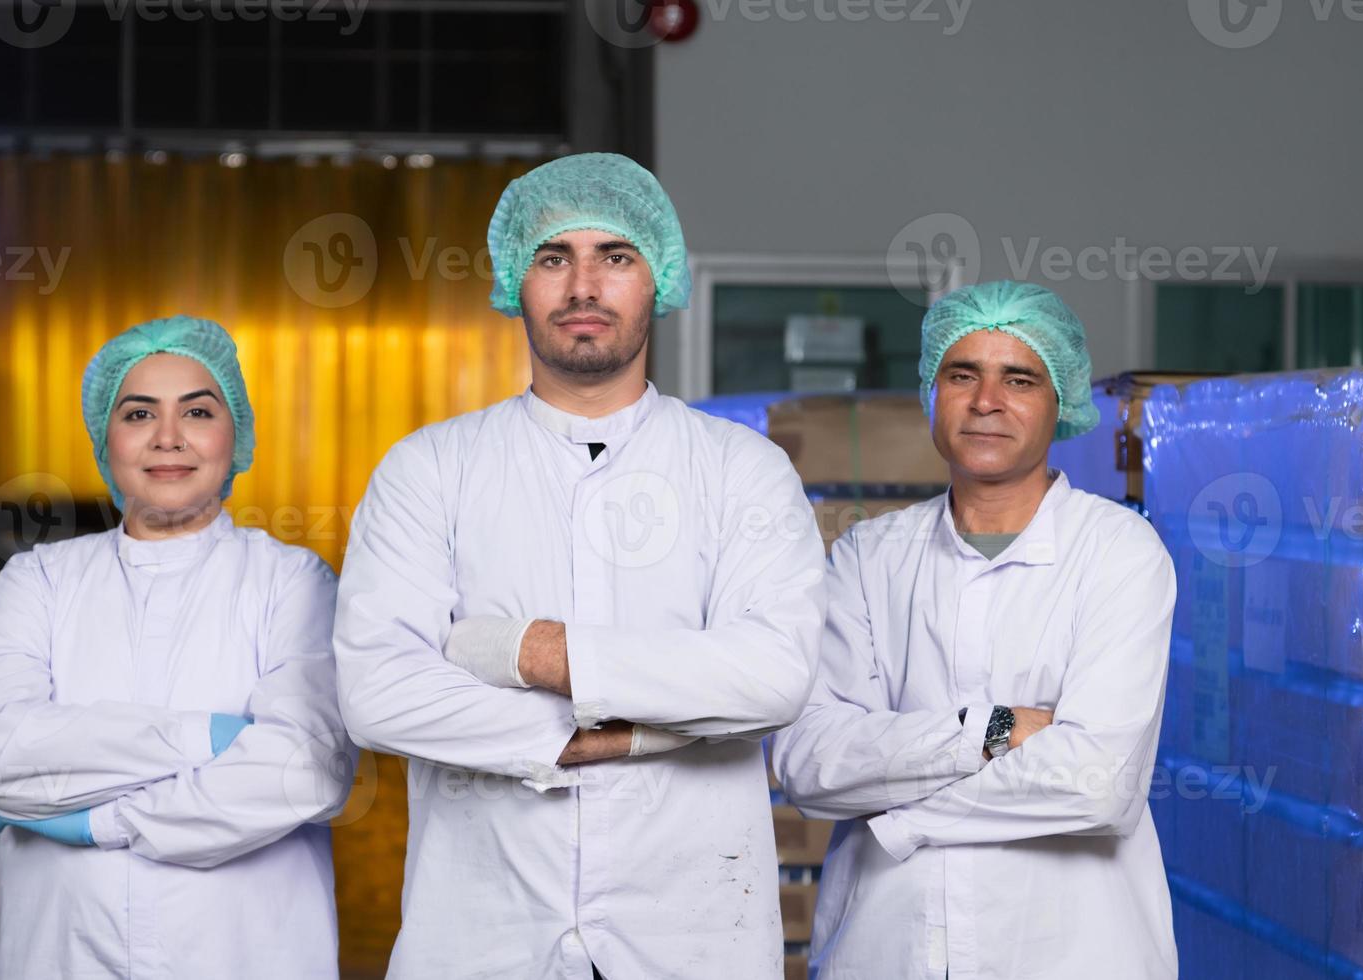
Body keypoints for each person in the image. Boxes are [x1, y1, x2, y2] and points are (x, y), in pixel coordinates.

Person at [332, 153, 826, 978]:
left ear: (656, 278)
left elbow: (773, 674)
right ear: (514, 284)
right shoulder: (429, 468)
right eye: (553, 257)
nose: (583, 285)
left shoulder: (743, 469)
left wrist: (524, 653)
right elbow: (377, 692)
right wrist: (607, 736)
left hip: (689, 931)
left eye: (615, 257)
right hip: (484, 928)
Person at [772, 281, 1178, 979]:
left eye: (1018, 378)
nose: (986, 400)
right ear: (932, 392)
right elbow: (808, 763)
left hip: (1072, 955)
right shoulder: (869, 557)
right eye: (963, 375)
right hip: (886, 950)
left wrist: (902, 816)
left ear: (1062, 403)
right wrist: (994, 731)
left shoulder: (1119, 552)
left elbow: (1097, 784)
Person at [0, 316, 355, 979]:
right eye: (139, 413)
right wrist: (214, 739)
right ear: (106, 440)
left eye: (197, 409)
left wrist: (99, 822)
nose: (169, 437)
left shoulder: (293, 582)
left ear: (236, 434)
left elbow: (303, 769)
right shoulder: (39, 581)